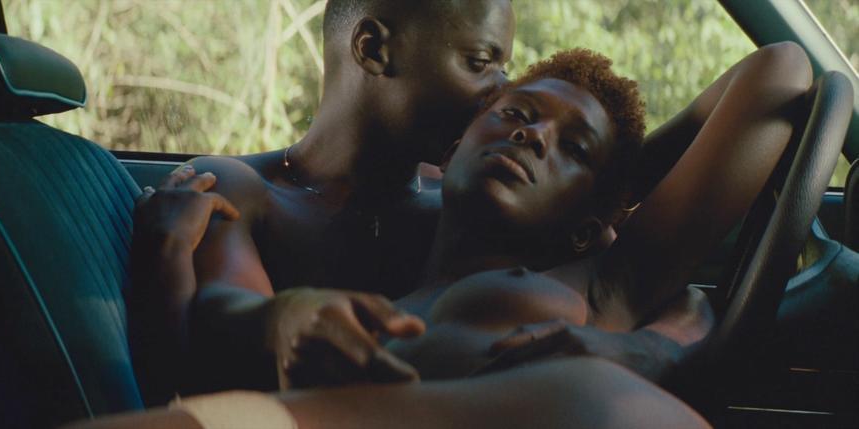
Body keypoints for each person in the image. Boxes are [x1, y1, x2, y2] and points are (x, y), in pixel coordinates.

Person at [77, 41, 812, 429]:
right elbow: (203, 346)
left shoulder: (603, 279)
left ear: (591, 226)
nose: (532, 136)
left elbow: (779, 72)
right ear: (452, 147)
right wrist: (242, 294)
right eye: (518, 114)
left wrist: (610, 188)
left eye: (571, 146)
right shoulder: (371, 273)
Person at [128, 0, 712, 400]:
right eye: (481, 63)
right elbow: (225, 341)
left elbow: (656, 286)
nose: (502, 89)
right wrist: (177, 259)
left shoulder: (479, 205)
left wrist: (656, 350)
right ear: (374, 49)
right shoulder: (241, 192)